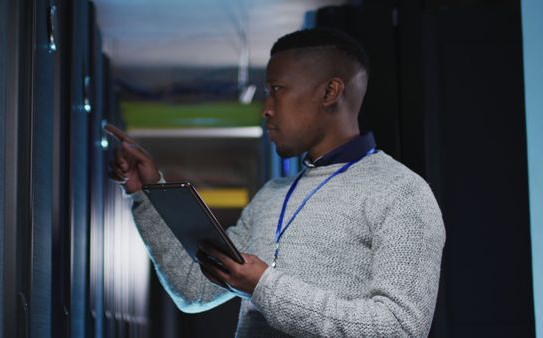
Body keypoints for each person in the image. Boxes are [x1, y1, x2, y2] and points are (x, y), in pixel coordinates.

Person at [105, 28, 445, 337]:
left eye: (276, 91)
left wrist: (265, 286)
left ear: (330, 92)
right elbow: (194, 289)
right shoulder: (271, 195)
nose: (266, 109)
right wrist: (144, 194)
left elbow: (400, 329)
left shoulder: (402, 191)